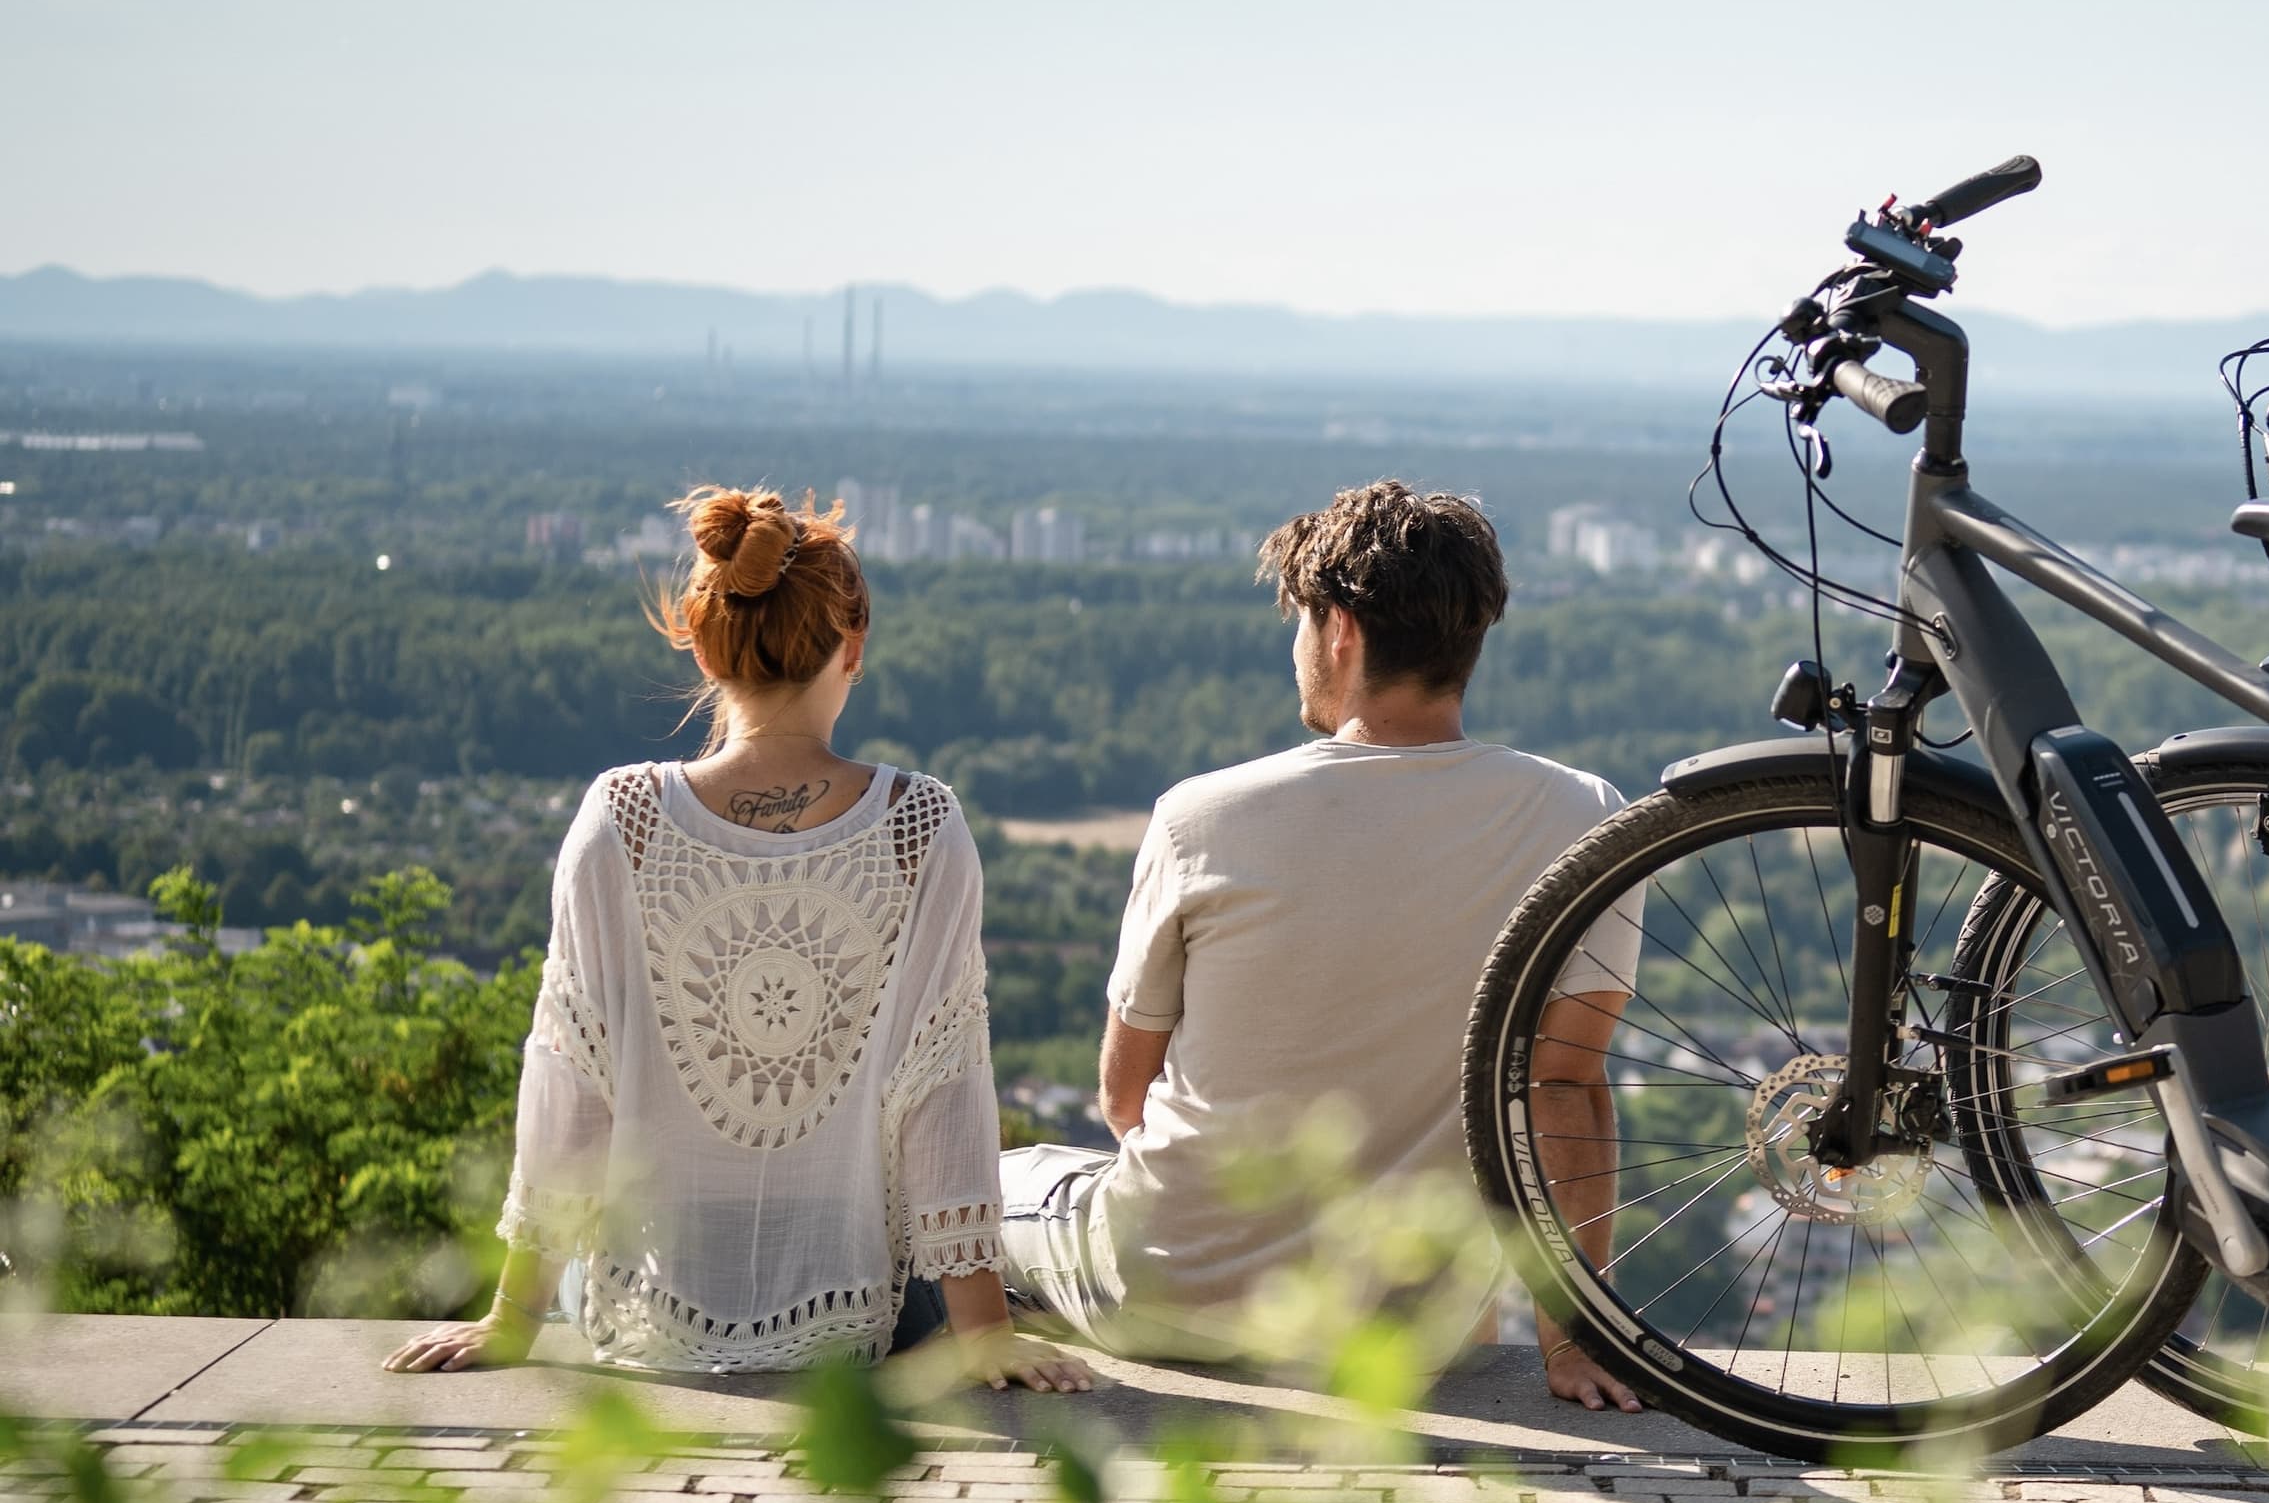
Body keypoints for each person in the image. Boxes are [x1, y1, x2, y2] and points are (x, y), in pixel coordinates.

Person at [391, 486, 1088, 1392]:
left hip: (647, 1301)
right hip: (856, 1301)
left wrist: (512, 1320)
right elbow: (942, 1087)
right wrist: (985, 1333)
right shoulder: (921, 825)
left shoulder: (621, 818)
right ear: (854, 646)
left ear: (701, 643)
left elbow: (574, 1079)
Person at [991, 477, 1641, 1410]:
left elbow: (1125, 1099)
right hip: (1407, 1322)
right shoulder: (1581, 816)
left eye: (1300, 622)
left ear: (1340, 629)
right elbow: (1563, 1089)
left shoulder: (1200, 816)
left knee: (990, 1185)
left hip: (1171, 1289)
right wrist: (1573, 1341)